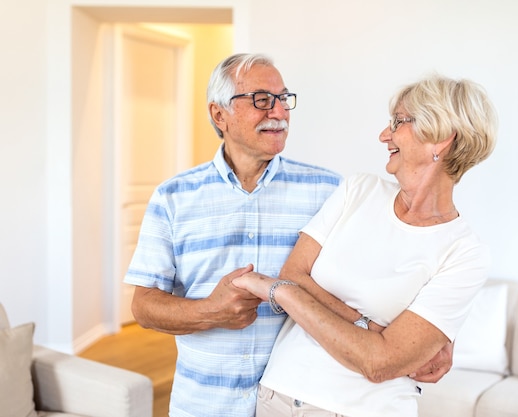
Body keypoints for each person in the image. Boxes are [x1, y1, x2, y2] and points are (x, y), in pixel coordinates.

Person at [123, 54, 453, 417]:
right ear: (219, 115)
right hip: (203, 405)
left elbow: (388, 269)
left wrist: (433, 336)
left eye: (284, 99)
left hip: (296, 401)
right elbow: (144, 306)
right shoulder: (173, 197)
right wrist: (210, 312)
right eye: (262, 100)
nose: (279, 112)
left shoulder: (329, 190)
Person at [232, 74, 498, 417]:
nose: (384, 135)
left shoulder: (465, 253)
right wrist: (369, 328)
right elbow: (294, 273)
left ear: (441, 139)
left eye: (399, 122)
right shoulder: (358, 190)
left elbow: (379, 363)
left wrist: (282, 294)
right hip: (279, 395)